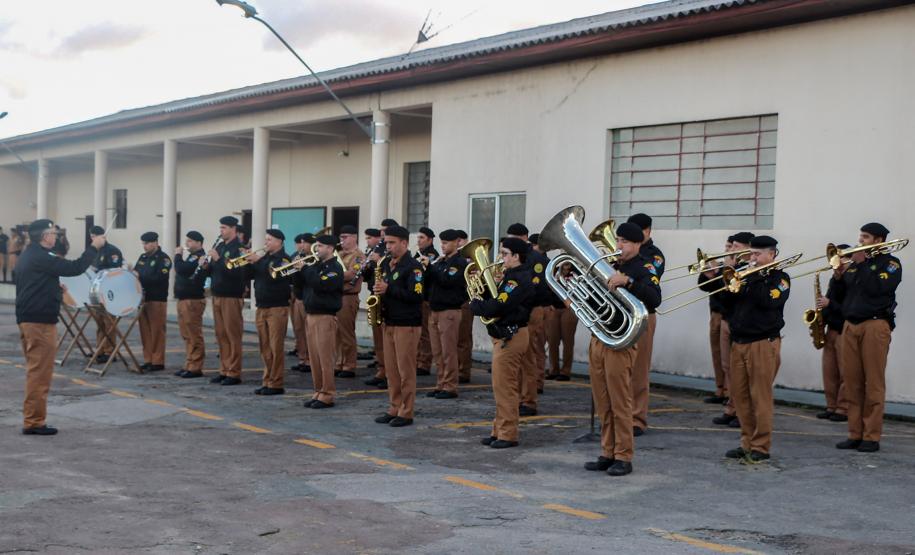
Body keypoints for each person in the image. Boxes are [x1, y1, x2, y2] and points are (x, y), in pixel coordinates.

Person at [584, 223, 661, 476]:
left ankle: (624, 456)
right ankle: (607, 451)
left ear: (638, 244)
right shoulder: (611, 265)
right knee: (602, 399)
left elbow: (654, 298)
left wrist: (627, 282)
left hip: (621, 341)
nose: (618, 246)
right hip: (601, 336)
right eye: (617, 240)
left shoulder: (643, 268)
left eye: (624, 242)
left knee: (620, 400)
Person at [15, 219, 104, 435]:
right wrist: (94, 247)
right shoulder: (41, 256)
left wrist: (53, 286)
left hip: (31, 318)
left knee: (36, 370)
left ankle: (33, 418)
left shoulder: (30, 255)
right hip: (39, 322)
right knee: (40, 373)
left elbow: (32, 282)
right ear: (45, 236)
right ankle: (34, 422)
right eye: (54, 233)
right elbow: (75, 268)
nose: (56, 237)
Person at [722, 235, 790, 463]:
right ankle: (747, 442)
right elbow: (725, 303)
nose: (752, 258)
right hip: (739, 342)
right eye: (752, 254)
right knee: (740, 397)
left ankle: (761, 445)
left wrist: (753, 278)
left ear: (772, 255)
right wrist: (729, 279)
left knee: (759, 396)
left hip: (763, 342)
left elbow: (769, 301)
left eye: (758, 254)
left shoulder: (780, 279)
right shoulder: (744, 276)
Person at [836, 223, 902, 453]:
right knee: (852, 382)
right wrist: (838, 275)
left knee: (873, 383)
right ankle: (855, 433)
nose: (860, 240)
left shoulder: (892, 264)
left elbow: (877, 288)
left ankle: (871, 436)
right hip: (851, 325)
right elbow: (843, 294)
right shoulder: (855, 265)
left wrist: (863, 264)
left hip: (875, 325)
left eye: (865, 237)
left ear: (878, 239)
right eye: (860, 236)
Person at [472, 237, 533, 449]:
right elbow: (495, 299)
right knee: (500, 386)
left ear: (516, 256)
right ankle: (498, 431)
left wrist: (476, 306)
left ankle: (508, 434)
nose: (501, 257)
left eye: (505, 253)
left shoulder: (518, 279)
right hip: (504, 335)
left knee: (506, 387)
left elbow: (497, 306)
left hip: (512, 336)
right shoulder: (509, 276)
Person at [372, 225, 424, 427]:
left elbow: (416, 295)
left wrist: (388, 289)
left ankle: (406, 411)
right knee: (392, 370)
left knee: (406, 370)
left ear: (404, 243)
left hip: (407, 324)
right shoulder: (387, 264)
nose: (388, 247)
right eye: (386, 243)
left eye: (392, 243)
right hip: (389, 322)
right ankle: (394, 406)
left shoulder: (414, 267)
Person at [708, 231, 753, 428]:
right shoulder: (731, 267)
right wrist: (715, 274)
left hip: (742, 324)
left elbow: (738, 296)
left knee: (742, 371)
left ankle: (742, 411)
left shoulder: (749, 269)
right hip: (727, 319)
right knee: (728, 367)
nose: (731, 250)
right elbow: (715, 291)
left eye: (735, 247)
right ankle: (731, 407)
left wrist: (729, 270)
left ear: (747, 248)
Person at [626, 213, 664, 436]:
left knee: (639, 369)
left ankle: (637, 418)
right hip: (622, 316)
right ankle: (620, 415)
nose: (622, 243)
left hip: (643, 315)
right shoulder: (622, 256)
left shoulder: (654, 256)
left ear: (647, 232)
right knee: (621, 370)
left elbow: (649, 282)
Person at [244, 229, 292, 395]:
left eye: (269, 240)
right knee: (264, 347)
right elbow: (252, 275)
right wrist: (247, 262)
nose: (266, 243)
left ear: (279, 242)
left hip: (277, 307)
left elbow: (276, 275)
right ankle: (268, 380)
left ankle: (276, 383)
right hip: (262, 306)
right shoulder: (265, 258)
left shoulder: (284, 259)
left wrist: (257, 261)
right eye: (266, 239)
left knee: (275, 347)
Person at [506, 223, 547, 416]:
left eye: (513, 239)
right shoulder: (513, 258)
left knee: (528, 356)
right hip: (516, 310)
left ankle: (529, 400)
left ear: (524, 238)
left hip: (531, 310)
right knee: (517, 357)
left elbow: (536, 288)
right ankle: (519, 397)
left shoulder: (536, 259)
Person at [300, 234, 344, 408]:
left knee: (325, 358)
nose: (317, 249)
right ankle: (318, 391)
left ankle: (328, 394)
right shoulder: (316, 266)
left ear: (331, 248)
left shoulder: (335, 268)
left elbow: (320, 284)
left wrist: (305, 269)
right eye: (317, 246)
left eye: (320, 246)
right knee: (315, 358)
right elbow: (302, 284)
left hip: (325, 317)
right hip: (311, 315)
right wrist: (298, 270)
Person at [425, 229, 469, 399]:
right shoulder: (440, 262)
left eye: (446, 243)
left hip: (449, 312)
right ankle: (441, 383)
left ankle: (450, 386)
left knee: (448, 351)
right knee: (437, 352)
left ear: (456, 243)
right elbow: (432, 282)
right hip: (435, 311)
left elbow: (447, 281)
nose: (442, 246)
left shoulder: (459, 263)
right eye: (442, 243)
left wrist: (431, 268)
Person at [204, 216, 246, 386]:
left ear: (233, 229)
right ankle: (224, 369)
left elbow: (236, 273)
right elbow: (215, 271)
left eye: (224, 228)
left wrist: (217, 259)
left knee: (232, 334)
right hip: (218, 295)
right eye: (220, 228)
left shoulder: (240, 249)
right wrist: (206, 266)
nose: (221, 231)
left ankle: (234, 372)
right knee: (221, 334)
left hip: (231, 296)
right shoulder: (220, 246)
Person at [814, 244, 851, 421]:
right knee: (829, 371)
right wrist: (820, 319)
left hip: (845, 329)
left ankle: (843, 408)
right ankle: (831, 405)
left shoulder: (854, 279)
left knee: (846, 372)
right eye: (837, 257)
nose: (838, 262)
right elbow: (828, 301)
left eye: (842, 258)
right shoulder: (834, 279)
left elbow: (852, 308)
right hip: (832, 330)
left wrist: (830, 304)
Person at [134, 231, 171, 372]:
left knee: (157, 331)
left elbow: (158, 278)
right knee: (145, 331)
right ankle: (148, 359)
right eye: (143, 243)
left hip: (157, 298)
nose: (145, 246)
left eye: (147, 243)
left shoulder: (164, 259)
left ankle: (158, 361)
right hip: (143, 298)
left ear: (155, 243)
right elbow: (136, 273)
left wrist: (140, 275)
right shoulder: (143, 257)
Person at [173, 231, 208, 378]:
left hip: (193, 300)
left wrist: (177, 255)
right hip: (183, 299)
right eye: (187, 241)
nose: (187, 243)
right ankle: (189, 363)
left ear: (199, 243)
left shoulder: (200, 257)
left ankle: (195, 366)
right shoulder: (191, 257)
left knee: (194, 334)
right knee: (186, 334)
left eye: (190, 241)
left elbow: (182, 269)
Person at [334, 225, 366, 379]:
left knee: (346, 332)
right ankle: (339, 362)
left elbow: (353, 274)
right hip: (336, 295)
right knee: (337, 333)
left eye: (345, 237)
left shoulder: (359, 256)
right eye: (341, 237)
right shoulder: (339, 254)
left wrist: (333, 274)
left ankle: (349, 365)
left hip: (348, 296)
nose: (342, 240)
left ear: (354, 237)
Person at [89, 225, 124, 364]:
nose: (92, 239)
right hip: (96, 291)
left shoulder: (112, 251)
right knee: (99, 322)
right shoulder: (94, 251)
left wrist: (98, 269)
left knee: (109, 322)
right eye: (91, 237)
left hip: (109, 291)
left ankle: (109, 351)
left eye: (94, 237)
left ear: (101, 236)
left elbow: (115, 270)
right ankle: (100, 349)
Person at [362, 227, 387, 388]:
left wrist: (379, 260)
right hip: (374, 295)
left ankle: (387, 372)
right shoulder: (375, 250)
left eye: (384, 231)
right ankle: (381, 369)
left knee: (385, 340)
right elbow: (366, 278)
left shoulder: (389, 254)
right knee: (378, 338)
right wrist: (368, 265)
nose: (382, 234)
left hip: (386, 299)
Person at [545, 261, 577, 381]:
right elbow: (547, 286)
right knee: (552, 341)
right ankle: (553, 370)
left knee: (568, 342)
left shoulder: (577, 272)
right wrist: (549, 303)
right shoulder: (554, 270)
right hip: (554, 308)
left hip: (569, 309)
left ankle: (565, 371)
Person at [414, 226, 439, 376]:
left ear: (430, 240)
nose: (418, 241)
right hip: (418, 297)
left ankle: (424, 362)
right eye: (418, 238)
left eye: (422, 238)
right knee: (418, 332)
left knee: (425, 332)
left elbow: (426, 273)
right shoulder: (418, 253)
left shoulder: (431, 255)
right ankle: (418, 359)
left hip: (427, 297)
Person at [289, 234, 314, 373]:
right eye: (301, 243)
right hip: (297, 298)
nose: (302, 245)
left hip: (307, 298)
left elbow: (310, 278)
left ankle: (311, 360)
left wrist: (302, 267)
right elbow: (294, 278)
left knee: (308, 331)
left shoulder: (313, 259)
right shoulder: (297, 256)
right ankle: (302, 358)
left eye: (305, 243)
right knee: (299, 330)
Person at [455, 229, 474, 383]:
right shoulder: (452, 258)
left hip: (466, 301)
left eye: (461, 240)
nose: (458, 243)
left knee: (463, 338)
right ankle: (455, 368)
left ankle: (464, 371)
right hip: (453, 302)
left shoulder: (470, 258)